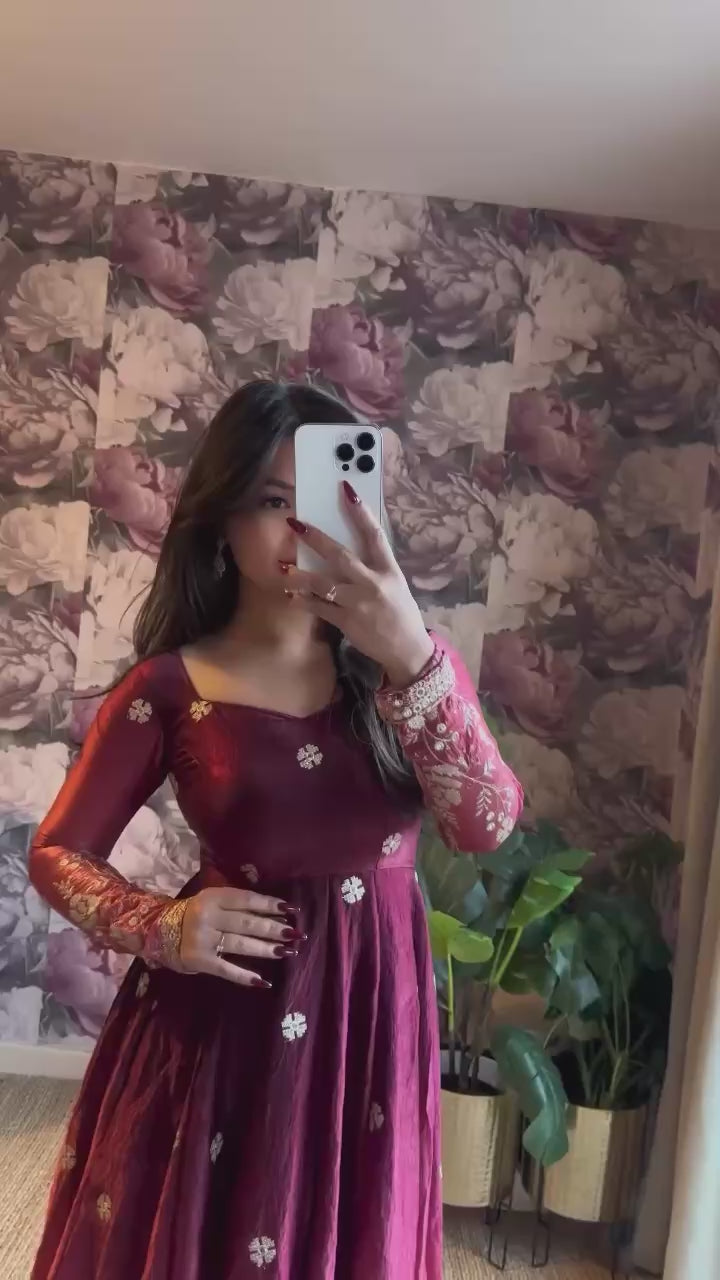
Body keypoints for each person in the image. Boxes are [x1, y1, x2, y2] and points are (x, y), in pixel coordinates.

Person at [29, 380, 523, 1280]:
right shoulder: (170, 686)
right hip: (224, 1019)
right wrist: (159, 924)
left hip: (371, 1019)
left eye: (324, 496)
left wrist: (409, 653)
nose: (298, 524)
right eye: (268, 500)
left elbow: (485, 826)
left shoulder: (411, 667)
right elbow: (58, 851)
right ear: (220, 522)